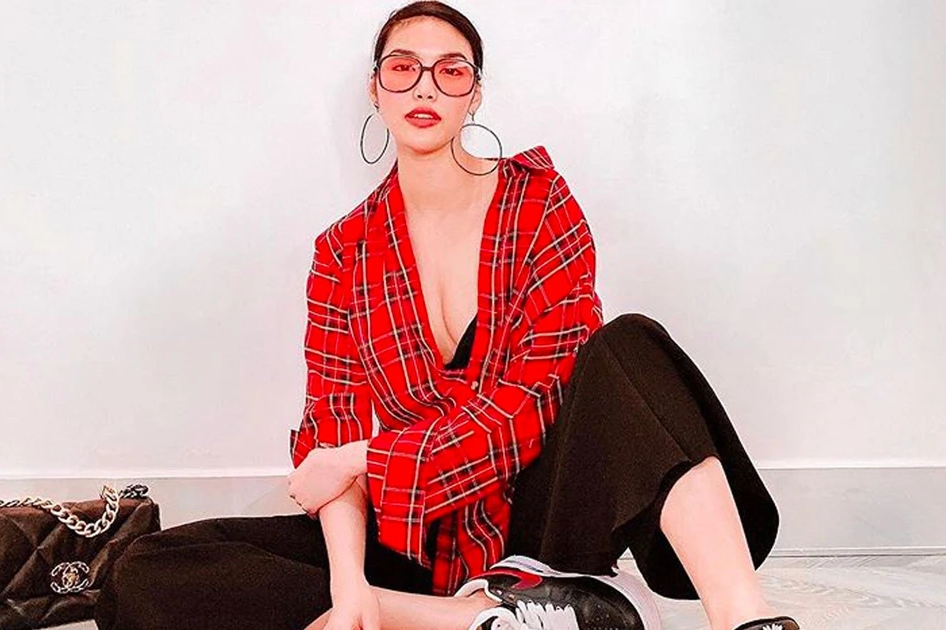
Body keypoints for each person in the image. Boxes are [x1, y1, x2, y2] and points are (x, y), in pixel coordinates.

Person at [94, 3, 803, 630]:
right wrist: (348, 586)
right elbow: (332, 430)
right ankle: (479, 620)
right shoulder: (342, 252)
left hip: (542, 524)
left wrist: (364, 459)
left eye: (451, 71)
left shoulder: (539, 203)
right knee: (145, 571)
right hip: (415, 535)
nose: (425, 87)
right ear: (375, 89)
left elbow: (531, 405)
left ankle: (746, 619)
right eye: (403, 68)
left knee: (630, 343)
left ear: (475, 94)